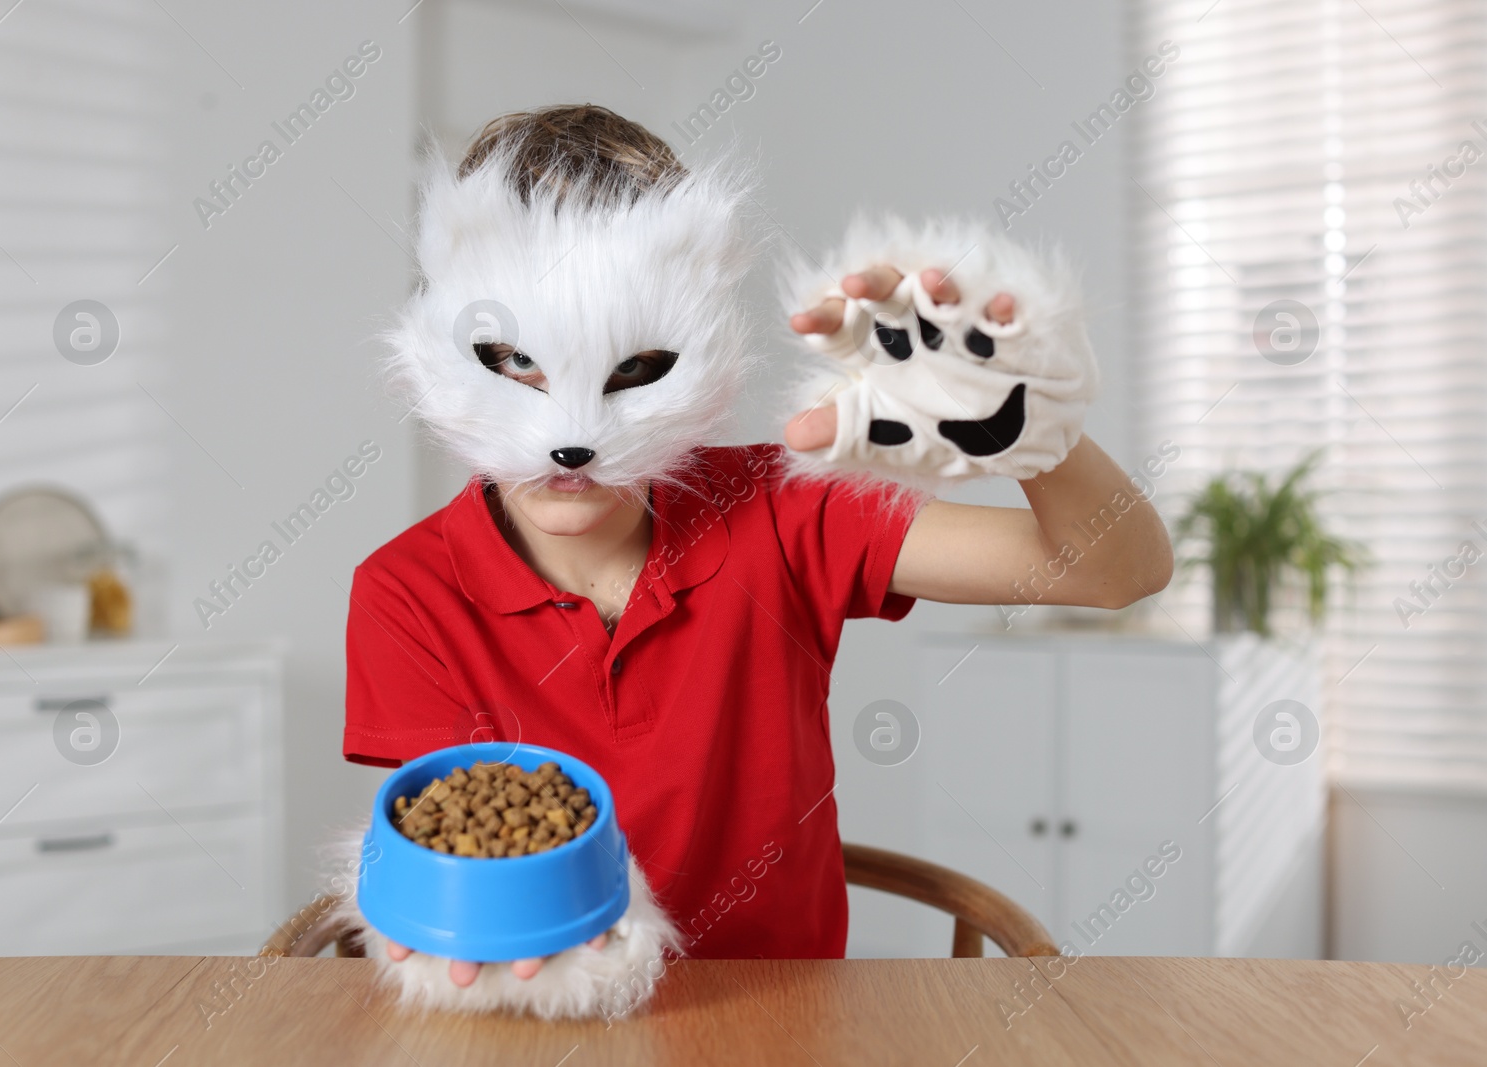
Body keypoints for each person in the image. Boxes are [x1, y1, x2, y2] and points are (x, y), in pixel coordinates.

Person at [342, 104, 1172, 990]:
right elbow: (459, 844)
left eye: (630, 371)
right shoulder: (407, 590)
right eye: (515, 364)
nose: (568, 439)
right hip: (532, 1017)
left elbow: (1114, 569)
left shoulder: (784, 506)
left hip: (792, 1023)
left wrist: (1028, 429)